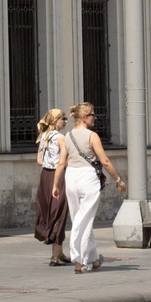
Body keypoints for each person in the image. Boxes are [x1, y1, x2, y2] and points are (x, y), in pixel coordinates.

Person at [65, 101, 118, 272]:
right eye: (92, 115)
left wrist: (55, 186)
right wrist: (118, 180)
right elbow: (105, 161)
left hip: (70, 176)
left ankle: (94, 258)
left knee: (79, 218)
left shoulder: (67, 136)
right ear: (83, 117)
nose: (95, 118)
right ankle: (80, 261)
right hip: (87, 177)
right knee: (85, 220)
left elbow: (61, 163)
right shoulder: (92, 136)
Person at [31, 107, 71, 266]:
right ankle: (55, 256)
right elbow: (64, 161)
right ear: (55, 121)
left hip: (45, 176)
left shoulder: (43, 136)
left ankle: (59, 252)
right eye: (63, 119)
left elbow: (39, 161)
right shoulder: (61, 138)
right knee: (59, 212)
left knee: (50, 210)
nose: (66, 121)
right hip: (57, 176)